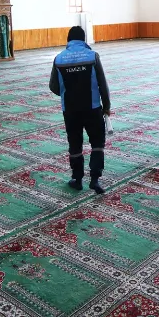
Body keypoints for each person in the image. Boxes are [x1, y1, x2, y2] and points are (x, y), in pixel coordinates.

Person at [49, 26, 111, 194]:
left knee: (75, 144)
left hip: (70, 110)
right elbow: (102, 83)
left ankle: (77, 180)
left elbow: (53, 86)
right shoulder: (92, 56)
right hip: (92, 108)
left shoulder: (59, 59)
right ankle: (95, 179)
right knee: (97, 143)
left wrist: (66, 93)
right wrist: (106, 106)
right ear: (83, 40)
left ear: (68, 40)